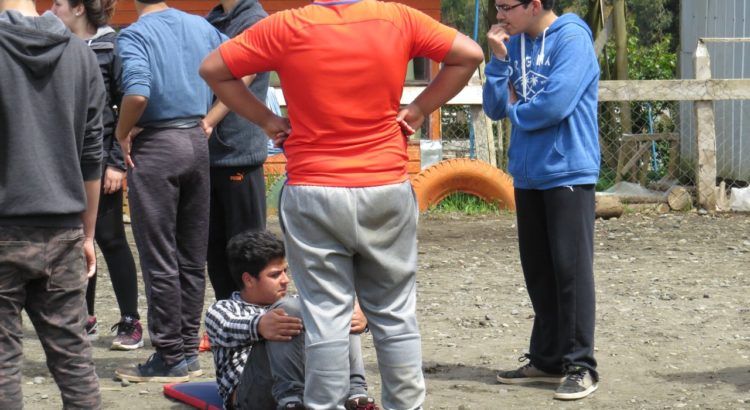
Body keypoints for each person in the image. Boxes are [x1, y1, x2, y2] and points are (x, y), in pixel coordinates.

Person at [199, 2, 484, 407]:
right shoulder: (397, 18)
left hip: (313, 187)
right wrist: (420, 108)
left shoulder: (286, 26)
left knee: (325, 318)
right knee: (394, 314)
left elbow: (213, 69)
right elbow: (469, 54)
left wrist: (266, 120)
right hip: (385, 183)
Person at [482, 0, 600, 401]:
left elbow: (555, 105)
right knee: (539, 271)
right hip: (528, 173)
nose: (499, 16)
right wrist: (498, 61)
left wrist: (516, 109)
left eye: (505, 7)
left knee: (571, 272)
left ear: (534, 5)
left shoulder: (572, 39)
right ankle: (548, 360)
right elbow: (493, 107)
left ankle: (581, 366)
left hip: (568, 171)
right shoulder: (512, 44)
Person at [113, 0, 227, 382]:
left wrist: (121, 133)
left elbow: (137, 94)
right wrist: (210, 119)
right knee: (191, 256)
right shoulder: (201, 26)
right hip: (196, 140)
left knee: (159, 255)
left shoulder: (134, 34)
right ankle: (187, 350)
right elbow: (244, 70)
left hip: (157, 145)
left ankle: (168, 356)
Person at [0, 0, 105, 406]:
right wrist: (88, 233)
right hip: (64, 227)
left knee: (3, 363)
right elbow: (92, 154)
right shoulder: (80, 54)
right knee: (74, 357)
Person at [50, 0, 144, 350]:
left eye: (58, 3)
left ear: (78, 9)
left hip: (101, 160)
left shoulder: (111, 47)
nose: (51, 9)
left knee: (110, 237)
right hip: (64, 162)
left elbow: (126, 108)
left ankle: (131, 320)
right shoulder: (56, 45)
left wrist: (117, 162)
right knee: (74, 240)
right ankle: (84, 318)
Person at [205, 230, 379, 410]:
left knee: (334, 306)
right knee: (285, 312)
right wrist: (260, 326)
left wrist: (360, 316)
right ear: (248, 280)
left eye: (285, 271)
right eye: (275, 275)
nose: (285, 280)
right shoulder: (222, 309)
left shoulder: (294, 302)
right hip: (251, 399)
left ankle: (356, 394)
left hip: (309, 385)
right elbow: (228, 326)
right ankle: (291, 401)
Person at [202, 0, 270, 301]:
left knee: (247, 248)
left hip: (239, 152)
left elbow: (241, 80)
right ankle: (227, 314)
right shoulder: (213, 20)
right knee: (215, 248)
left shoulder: (255, 21)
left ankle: (255, 316)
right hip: (210, 155)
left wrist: (207, 123)